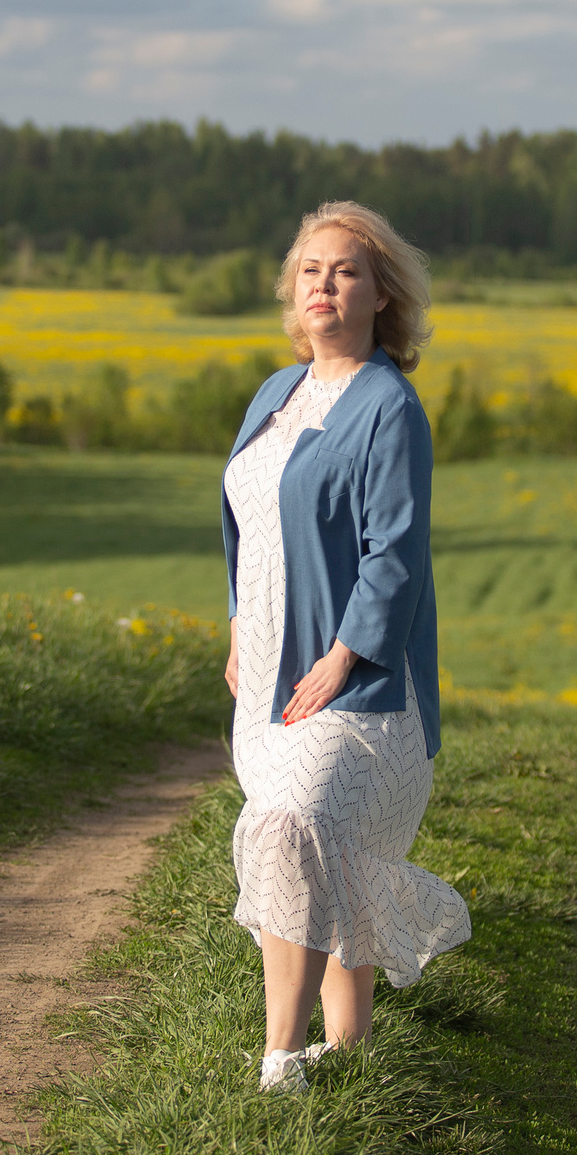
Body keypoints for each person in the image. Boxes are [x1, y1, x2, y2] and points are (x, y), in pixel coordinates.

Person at [220, 200, 471, 1096]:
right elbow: (249, 523)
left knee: (295, 830)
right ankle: (349, 1059)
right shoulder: (274, 394)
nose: (324, 283)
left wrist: (345, 656)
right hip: (269, 691)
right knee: (327, 857)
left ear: (381, 295)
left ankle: (279, 1061)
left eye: (347, 270)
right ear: (295, 292)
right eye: (311, 270)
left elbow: (395, 556)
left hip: (363, 695)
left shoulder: (387, 406)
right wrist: (239, 626)